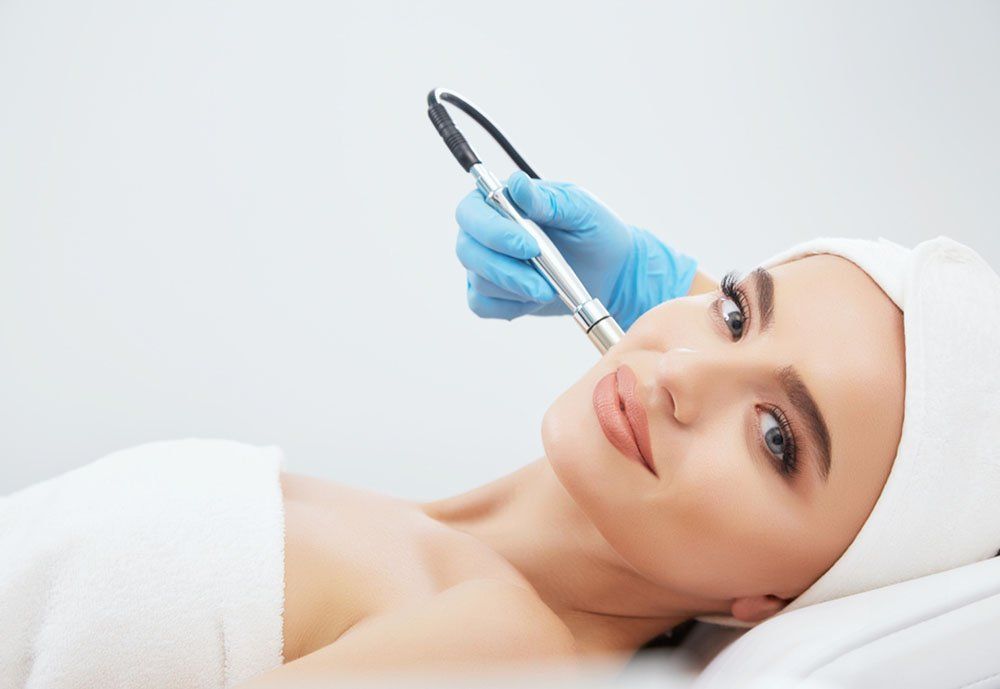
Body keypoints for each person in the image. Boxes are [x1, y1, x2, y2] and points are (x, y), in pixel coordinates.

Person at [3, 174, 998, 689]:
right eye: (735, 309)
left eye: (777, 437)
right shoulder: (442, 559)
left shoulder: (499, 641)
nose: (682, 372)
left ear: (780, 600)